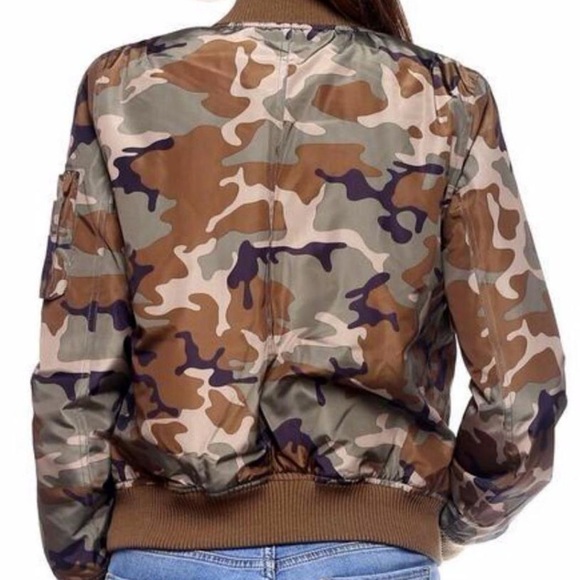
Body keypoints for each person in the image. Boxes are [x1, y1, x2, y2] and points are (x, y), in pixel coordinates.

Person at [29, 1, 568, 579]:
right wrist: (443, 522)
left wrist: (82, 560)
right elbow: (521, 388)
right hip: (371, 550)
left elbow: (76, 368)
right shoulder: (447, 99)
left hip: (165, 554)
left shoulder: (120, 88)